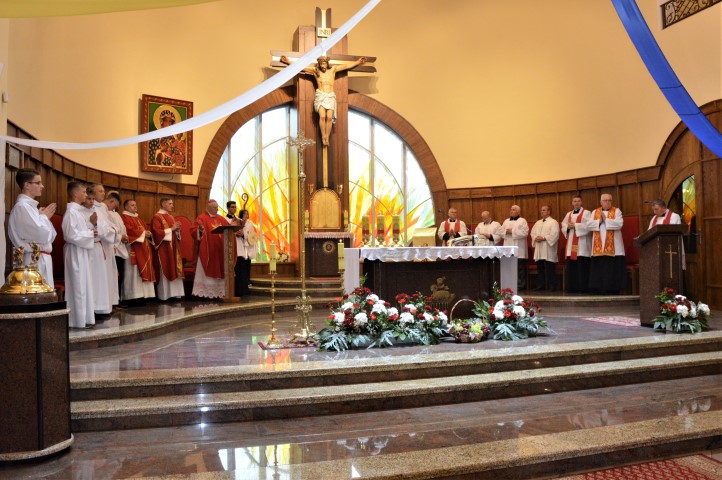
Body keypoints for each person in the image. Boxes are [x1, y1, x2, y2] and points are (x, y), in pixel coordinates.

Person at [280, 55, 366, 146]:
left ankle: (326, 137)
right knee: (322, 116)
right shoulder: (315, 71)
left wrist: (358, 62)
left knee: (329, 117)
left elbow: (345, 66)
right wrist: (288, 61)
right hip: (321, 96)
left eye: (324, 63)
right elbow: (302, 67)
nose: (322, 65)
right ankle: (322, 136)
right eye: (321, 63)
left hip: (330, 96)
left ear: (327, 63)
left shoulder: (333, 70)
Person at [7, 169, 57, 286]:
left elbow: (52, 236)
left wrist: (42, 217)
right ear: (27, 185)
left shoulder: (31, 208)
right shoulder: (22, 207)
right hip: (32, 261)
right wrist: (44, 217)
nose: (42, 186)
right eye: (38, 183)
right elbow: (41, 235)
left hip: (40, 259)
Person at [62, 181, 96, 329]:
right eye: (83, 192)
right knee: (77, 286)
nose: (86, 194)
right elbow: (70, 235)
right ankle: (77, 320)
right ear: (75, 194)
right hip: (75, 252)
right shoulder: (71, 212)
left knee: (84, 285)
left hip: (80, 250)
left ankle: (84, 318)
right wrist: (90, 233)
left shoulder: (78, 212)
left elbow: (78, 232)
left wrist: (90, 230)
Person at [84, 187, 116, 319]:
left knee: (104, 279)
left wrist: (111, 231)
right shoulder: (88, 209)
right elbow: (97, 227)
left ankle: (104, 306)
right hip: (93, 246)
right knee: (96, 279)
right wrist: (105, 231)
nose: (104, 193)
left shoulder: (102, 207)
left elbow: (106, 226)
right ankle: (96, 308)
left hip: (103, 246)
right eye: (100, 191)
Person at [191, 199, 232, 298]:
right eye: (215, 207)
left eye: (217, 207)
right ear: (208, 208)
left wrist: (234, 227)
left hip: (220, 251)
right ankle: (206, 293)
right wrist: (200, 230)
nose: (217, 209)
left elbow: (229, 229)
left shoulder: (222, 219)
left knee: (220, 269)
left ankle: (220, 293)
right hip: (208, 251)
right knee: (207, 269)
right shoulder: (202, 218)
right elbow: (193, 231)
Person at [588, 193, 626, 294]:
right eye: (605, 200)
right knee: (600, 267)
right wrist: (599, 221)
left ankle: (614, 289)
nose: (608, 202)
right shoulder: (595, 212)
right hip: (598, 247)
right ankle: (598, 289)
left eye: (610, 200)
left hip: (615, 246)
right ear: (601, 202)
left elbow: (619, 224)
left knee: (613, 267)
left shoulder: (617, 211)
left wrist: (606, 220)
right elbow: (589, 225)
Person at [121, 199, 157, 302]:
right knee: (133, 272)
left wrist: (148, 233)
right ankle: (132, 297)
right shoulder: (124, 217)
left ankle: (144, 295)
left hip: (144, 249)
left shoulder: (138, 217)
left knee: (143, 271)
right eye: (132, 205)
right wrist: (143, 233)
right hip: (133, 248)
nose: (135, 207)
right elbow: (129, 230)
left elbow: (145, 229)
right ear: (126, 207)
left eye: (135, 205)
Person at [151, 197, 185, 301]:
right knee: (166, 268)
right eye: (170, 204)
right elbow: (156, 232)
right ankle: (165, 296)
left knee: (174, 268)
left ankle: (176, 294)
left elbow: (174, 232)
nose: (172, 206)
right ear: (163, 204)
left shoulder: (170, 217)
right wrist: (172, 229)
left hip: (173, 247)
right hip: (164, 249)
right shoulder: (157, 217)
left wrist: (177, 230)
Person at [561, 196, 593, 293]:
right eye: (575, 201)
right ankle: (572, 287)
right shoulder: (568, 214)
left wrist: (575, 225)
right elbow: (563, 225)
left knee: (582, 266)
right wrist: (567, 227)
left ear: (581, 202)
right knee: (572, 267)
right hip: (571, 244)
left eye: (578, 201)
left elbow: (589, 226)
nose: (577, 203)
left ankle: (583, 288)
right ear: (572, 203)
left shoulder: (587, 213)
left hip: (582, 244)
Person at [104, 191, 129, 305]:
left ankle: (117, 301)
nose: (115, 207)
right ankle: (113, 302)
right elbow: (108, 231)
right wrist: (120, 237)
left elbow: (122, 228)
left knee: (120, 276)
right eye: (115, 204)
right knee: (114, 276)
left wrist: (125, 237)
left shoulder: (117, 214)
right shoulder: (105, 213)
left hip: (121, 248)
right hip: (113, 248)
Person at [530, 206, 560, 291]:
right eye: (541, 210)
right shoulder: (538, 222)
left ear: (549, 212)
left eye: (544, 210)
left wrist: (543, 238)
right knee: (540, 268)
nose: (542, 212)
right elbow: (532, 233)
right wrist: (535, 238)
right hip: (539, 247)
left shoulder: (553, 222)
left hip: (548, 247)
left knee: (550, 267)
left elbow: (555, 234)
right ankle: (541, 285)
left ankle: (552, 285)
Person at [502, 205, 529, 290]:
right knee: (509, 267)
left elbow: (525, 233)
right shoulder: (506, 221)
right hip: (508, 246)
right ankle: (509, 284)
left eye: (513, 210)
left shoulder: (522, 221)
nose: (511, 211)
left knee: (520, 268)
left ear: (518, 212)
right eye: (511, 209)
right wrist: (505, 232)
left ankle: (520, 285)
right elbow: (500, 232)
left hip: (519, 247)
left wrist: (512, 231)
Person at [234, 208, 258, 296]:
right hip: (240, 245)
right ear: (241, 214)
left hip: (248, 246)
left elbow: (252, 234)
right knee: (241, 266)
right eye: (244, 214)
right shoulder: (238, 222)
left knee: (247, 264)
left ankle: (248, 280)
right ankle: (242, 283)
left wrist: (245, 235)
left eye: (247, 214)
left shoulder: (250, 223)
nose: (246, 215)